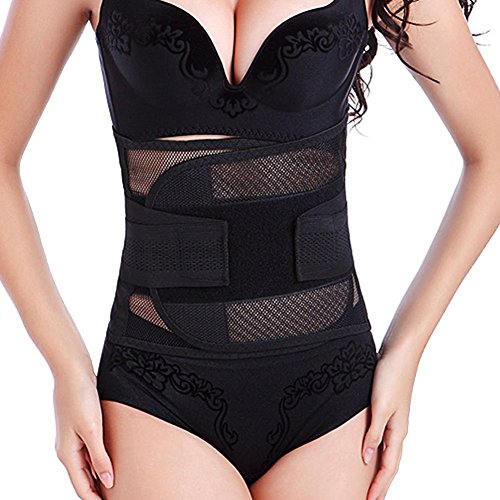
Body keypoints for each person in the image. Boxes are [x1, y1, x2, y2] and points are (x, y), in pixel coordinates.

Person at [0, 0, 498, 499]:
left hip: (330, 388)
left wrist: (405, 353)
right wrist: (65, 365)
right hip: (157, 385)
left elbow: (492, 156)